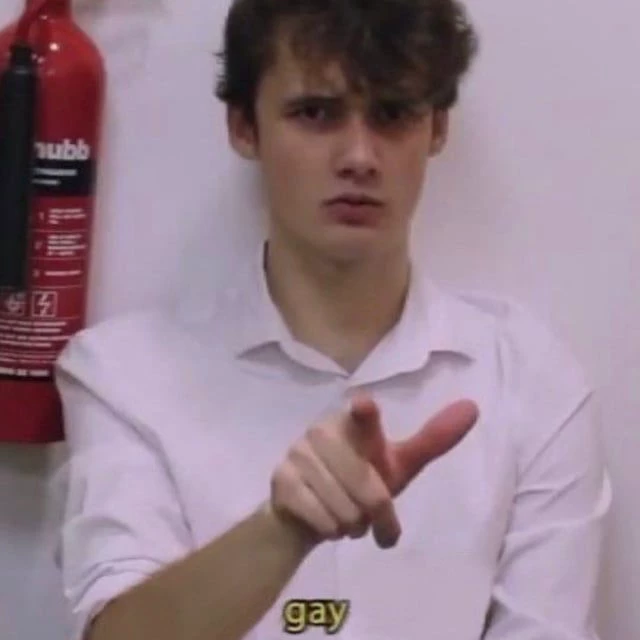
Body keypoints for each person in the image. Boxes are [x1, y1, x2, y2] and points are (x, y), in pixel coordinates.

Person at [54, 0, 612, 639]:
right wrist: (282, 531)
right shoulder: (124, 377)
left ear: (437, 130)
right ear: (244, 126)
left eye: (393, 114)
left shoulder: (529, 380)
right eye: (316, 113)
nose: (359, 157)